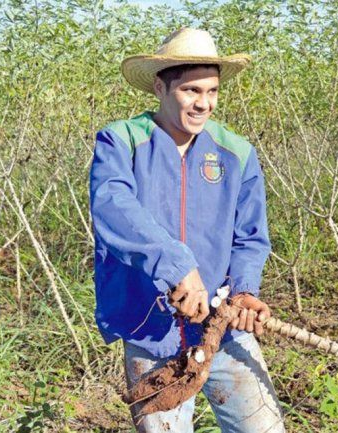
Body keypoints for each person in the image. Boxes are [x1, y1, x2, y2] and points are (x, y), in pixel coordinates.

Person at [89, 27, 285, 433]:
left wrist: (246, 291)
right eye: (191, 91)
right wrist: (177, 265)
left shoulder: (237, 153)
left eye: (212, 92)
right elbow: (113, 207)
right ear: (160, 87)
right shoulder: (121, 142)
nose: (203, 103)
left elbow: (250, 236)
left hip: (223, 326)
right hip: (151, 327)